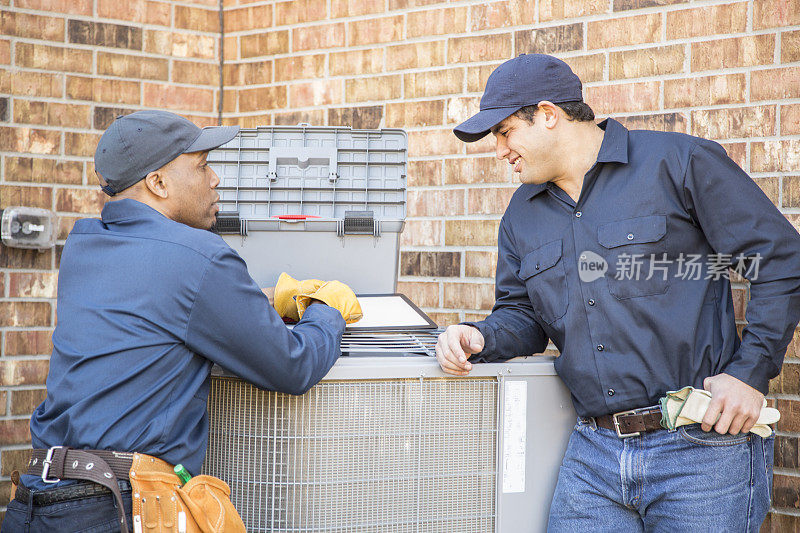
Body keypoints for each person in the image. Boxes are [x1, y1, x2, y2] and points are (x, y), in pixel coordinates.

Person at [436, 54, 800, 531]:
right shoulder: (521, 215)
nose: (500, 149)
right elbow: (523, 316)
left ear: (548, 114)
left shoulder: (678, 162)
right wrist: (481, 337)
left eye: (504, 132)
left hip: (701, 448)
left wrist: (749, 374)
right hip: (593, 458)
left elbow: (779, 257)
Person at [2, 110, 358, 532]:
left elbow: (161, 303)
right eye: (202, 165)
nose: (216, 179)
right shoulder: (199, 256)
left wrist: (265, 297)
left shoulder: (84, 245)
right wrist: (326, 309)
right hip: (113, 508)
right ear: (158, 182)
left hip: (35, 500)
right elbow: (292, 365)